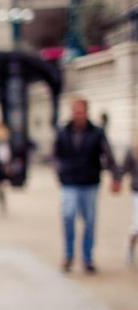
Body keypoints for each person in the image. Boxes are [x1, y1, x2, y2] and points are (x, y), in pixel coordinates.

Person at [53, 98, 120, 273]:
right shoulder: (63, 131)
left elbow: (108, 154)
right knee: (68, 216)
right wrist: (60, 173)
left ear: (86, 112)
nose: (78, 114)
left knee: (89, 221)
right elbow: (55, 154)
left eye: (81, 111)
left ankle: (87, 258)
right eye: (75, 111)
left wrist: (116, 177)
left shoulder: (97, 132)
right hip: (69, 182)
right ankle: (68, 255)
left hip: (90, 182)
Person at [121, 141, 138, 266]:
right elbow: (124, 168)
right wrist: (117, 179)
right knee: (137, 225)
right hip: (137, 192)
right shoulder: (133, 150)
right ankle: (130, 247)